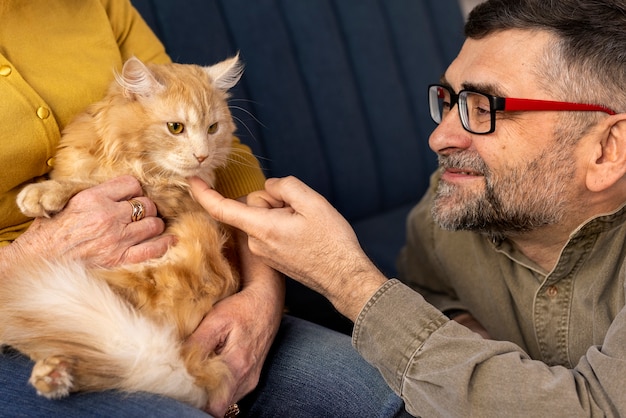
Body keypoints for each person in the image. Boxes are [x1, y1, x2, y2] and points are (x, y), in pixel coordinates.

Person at [189, 0, 626, 416]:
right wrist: (463, 332)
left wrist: (348, 281)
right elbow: (430, 286)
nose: (440, 138)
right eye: (451, 101)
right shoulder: (457, 205)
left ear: (607, 149)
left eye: (484, 107)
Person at [0, 1, 410, 417]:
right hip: (20, 302)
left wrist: (262, 297)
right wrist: (27, 258)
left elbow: (218, 148)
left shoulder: (98, 5)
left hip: (178, 276)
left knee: (381, 395)